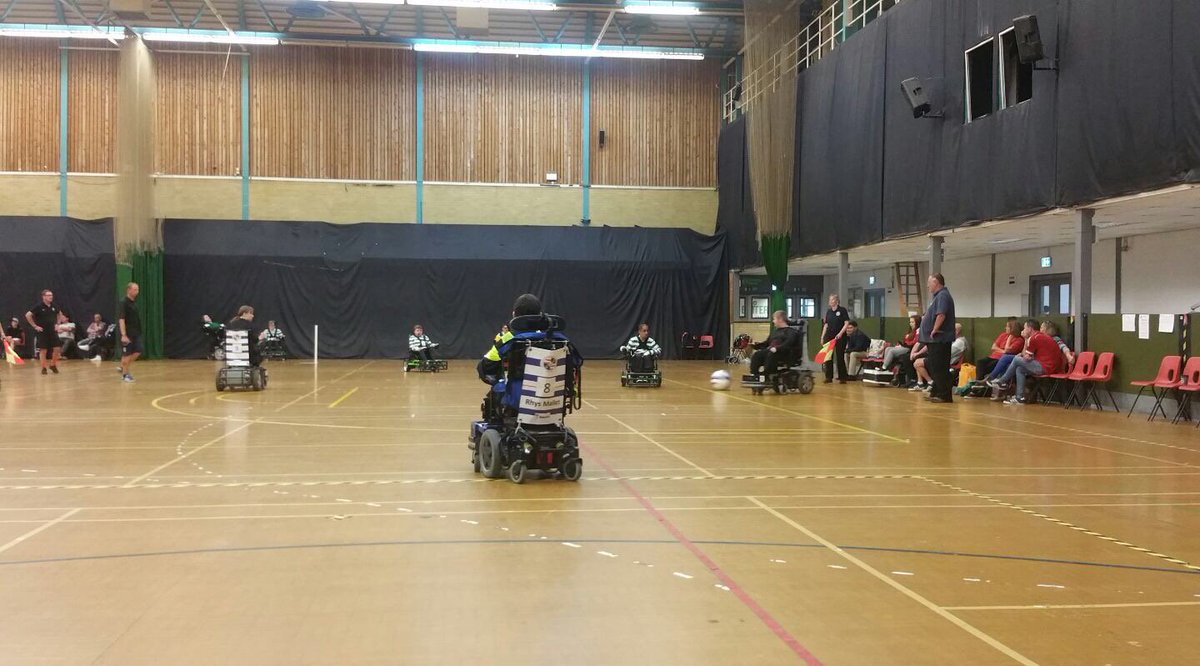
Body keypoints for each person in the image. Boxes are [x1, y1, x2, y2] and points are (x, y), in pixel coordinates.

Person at [990, 321, 1063, 405]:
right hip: (1049, 366)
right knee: (1020, 369)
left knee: (1017, 359)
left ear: (1029, 329)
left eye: (1025, 328)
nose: (1023, 330)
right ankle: (1019, 397)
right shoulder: (1038, 336)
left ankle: (1002, 381)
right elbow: (1028, 356)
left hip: (1046, 367)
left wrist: (1025, 341)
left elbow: (1026, 357)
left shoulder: (1034, 338)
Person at [917, 273, 956, 403]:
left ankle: (944, 394)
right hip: (934, 340)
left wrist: (934, 329)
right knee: (934, 366)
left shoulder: (943, 296)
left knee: (940, 367)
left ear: (936, 282)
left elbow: (941, 314)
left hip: (940, 338)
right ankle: (937, 391)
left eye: (929, 282)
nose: (928, 285)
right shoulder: (937, 297)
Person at [746, 310, 802, 383]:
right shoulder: (775, 332)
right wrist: (755, 346)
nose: (773, 321)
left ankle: (767, 376)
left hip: (784, 354)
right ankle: (755, 376)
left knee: (771, 354)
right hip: (771, 352)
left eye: (774, 319)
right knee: (757, 355)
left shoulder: (791, 332)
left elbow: (788, 343)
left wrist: (777, 348)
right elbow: (766, 343)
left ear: (780, 319)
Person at [25, 289, 63, 375]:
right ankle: (43, 367)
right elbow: (28, 315)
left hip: (52, 331)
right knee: (43, 350)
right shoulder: (39, 306)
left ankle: (53, 364)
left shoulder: (54, 306)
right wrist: (35, 326)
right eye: (49, 295)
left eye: (51, 295)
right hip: (42, 331)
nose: (51, 297)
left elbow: (59, 314)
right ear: (44, 297)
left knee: (57, 348)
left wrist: (58, 324)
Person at [820, 293, 851, 384]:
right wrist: (822, 337)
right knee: (828, 356)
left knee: (839, 356)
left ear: (836, 301)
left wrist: (840, 333)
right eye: (829, 300)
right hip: (829, 335)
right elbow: (826, 325)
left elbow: (846, 323)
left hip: (840, 337)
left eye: (832, 299)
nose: (830, 301)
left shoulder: (842, 310)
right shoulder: (829, 312)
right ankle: (828, 377)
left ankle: (842, 377)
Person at [119, 282, 141, 383]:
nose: (137, 291)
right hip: (128, 334)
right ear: (129, 290)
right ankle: (125, 374)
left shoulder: (134, 303)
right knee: (127, 355)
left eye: (137, 289)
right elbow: (121, 319)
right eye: (135, 289)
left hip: (136, 333)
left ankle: (123, 365)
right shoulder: (124, 302)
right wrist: (124, 335)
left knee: (138, 351)